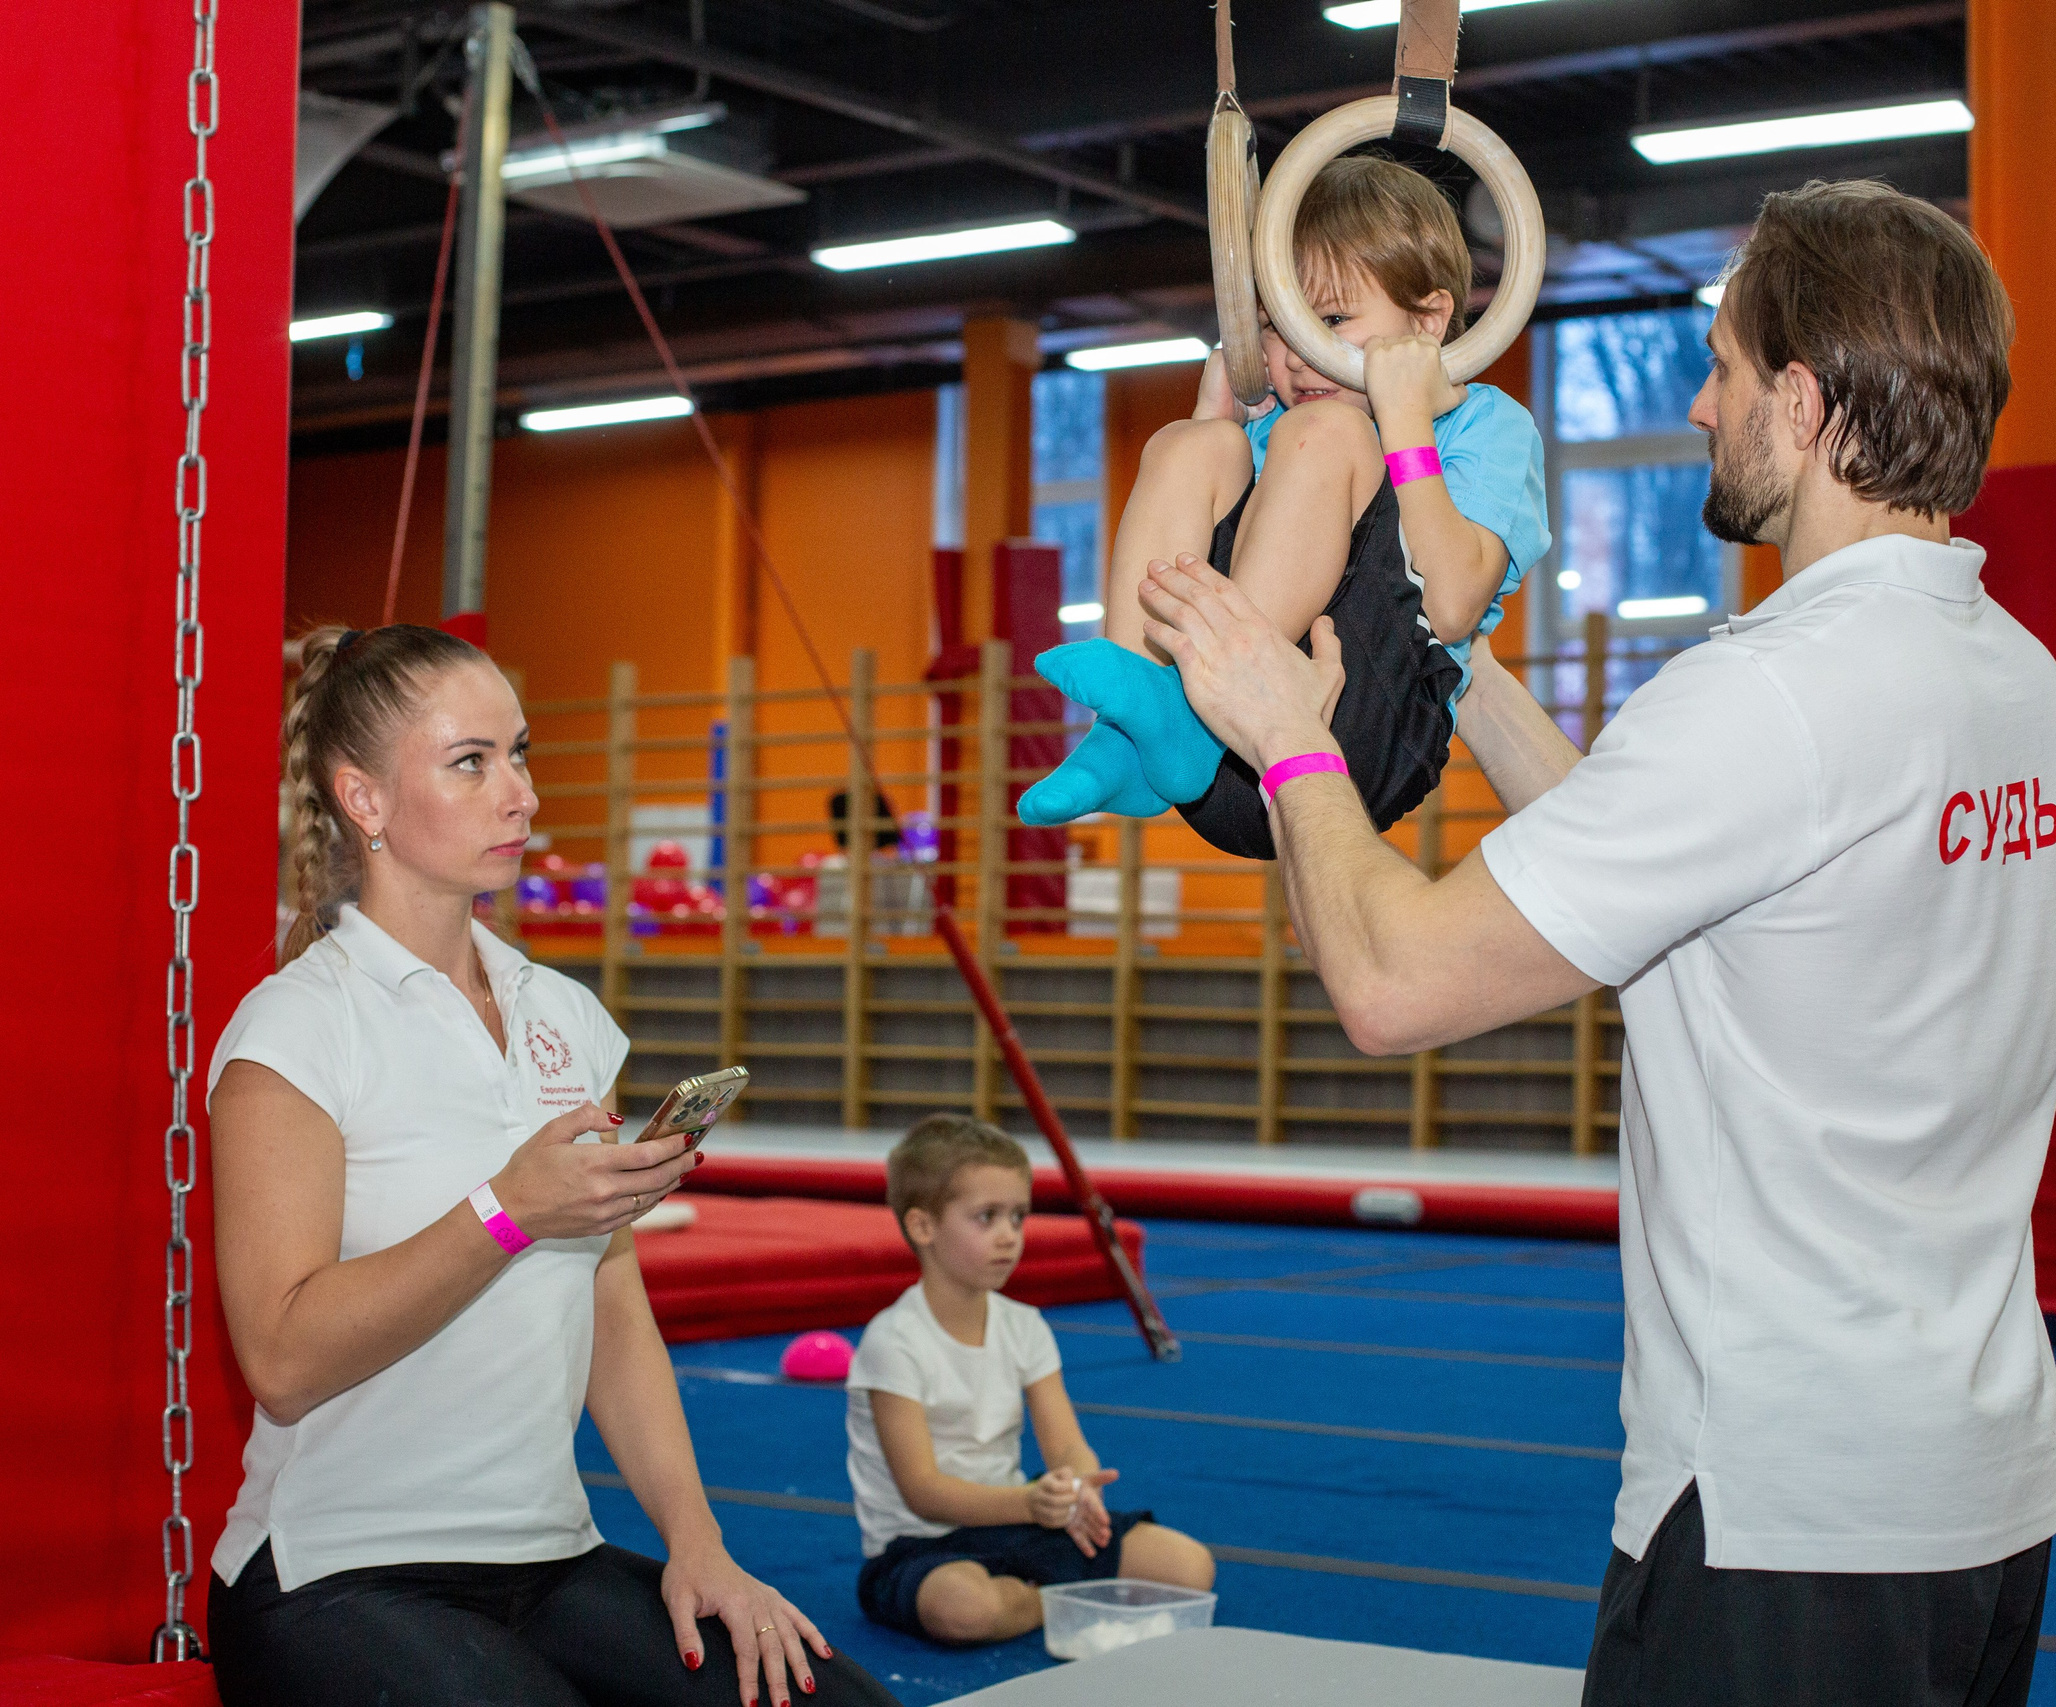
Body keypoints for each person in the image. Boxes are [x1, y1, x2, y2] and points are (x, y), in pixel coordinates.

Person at [1136, 180, 2056, 1705]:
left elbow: (1391, 983)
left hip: (1779, 1514)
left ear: (1802, 396)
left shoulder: (1774, 692)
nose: (1698, 407)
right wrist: (1456, 659)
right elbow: (1670, 873)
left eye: (1717, 368)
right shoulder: (2010, 672)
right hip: (1981, 1487)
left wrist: (1288, 736)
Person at [205, 624, 900, 1707]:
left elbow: (611, 1300)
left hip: (547, 1559)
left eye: (519, 753)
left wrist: (698, 1543)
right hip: (339, 1575)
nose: (519, 794)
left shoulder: (561, 1016)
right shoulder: (295, 1030)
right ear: (365, 800)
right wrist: (506, 1210)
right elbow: (283, 1359)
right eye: (470, 762)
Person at [1019, 154, 1549, 858]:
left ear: (1427, 323)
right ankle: (1128, 733)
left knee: (1327, 432)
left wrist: (1407, 426)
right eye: (1275, 328)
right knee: (1187, 445)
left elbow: (1452, 607)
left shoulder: (1485, 424)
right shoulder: (1276, 425)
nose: (1297, 356)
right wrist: (1217, 424)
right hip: (1214, 777)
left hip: (1361, 736)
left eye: (1329, 319)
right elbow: (1206, 516)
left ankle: (1189, 706)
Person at [845, 1116, 1216, 1644]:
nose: (1008, 1237)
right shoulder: (894, 1341)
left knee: (1189, 1569)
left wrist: (1081, 1486)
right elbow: (922, 1491)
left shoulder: (1024, 1325)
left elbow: (1065, 1442)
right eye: (986, 1217)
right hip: (919, 1546)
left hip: (1018, 1525)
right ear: (923, 1227)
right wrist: (1029, 1502)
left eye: (1018, 1217)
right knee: (963, 1610)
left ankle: (1029, 1596)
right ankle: (1057, 1599)